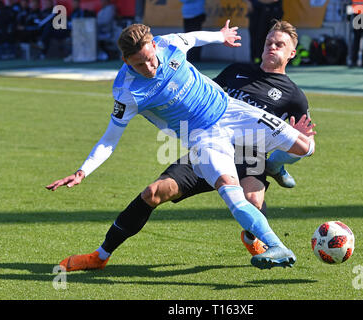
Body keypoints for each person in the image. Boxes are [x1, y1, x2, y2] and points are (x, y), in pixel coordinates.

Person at [46, 20, 315, 272]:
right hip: (202, 139)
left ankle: (275, 166)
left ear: (154, 45)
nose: (150, 68)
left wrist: (220, 36)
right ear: (126, 61)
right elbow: (109, 139)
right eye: (140, 64)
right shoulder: (126, 92)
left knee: (305, 147)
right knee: (227, 191)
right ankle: (278, 246)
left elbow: (193, 38)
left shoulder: (168, 44)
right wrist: (83, 171)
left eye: (151, 59)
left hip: (232, 111)